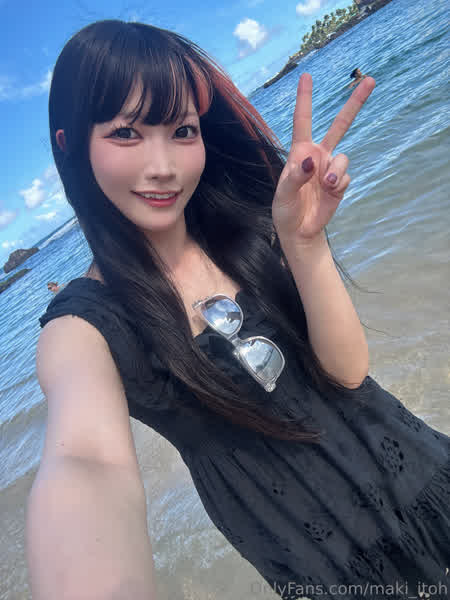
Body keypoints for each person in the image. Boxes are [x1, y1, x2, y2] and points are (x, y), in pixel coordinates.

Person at [28, 19, 449, 600]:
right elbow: (86, 462)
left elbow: (350, 374)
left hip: (429, 479)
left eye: (182, 130)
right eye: (126, 133)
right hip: (339, 573)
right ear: (70, 144)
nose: (163, 165)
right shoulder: (85, 326)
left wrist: (304, 246)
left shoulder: (247, 228)